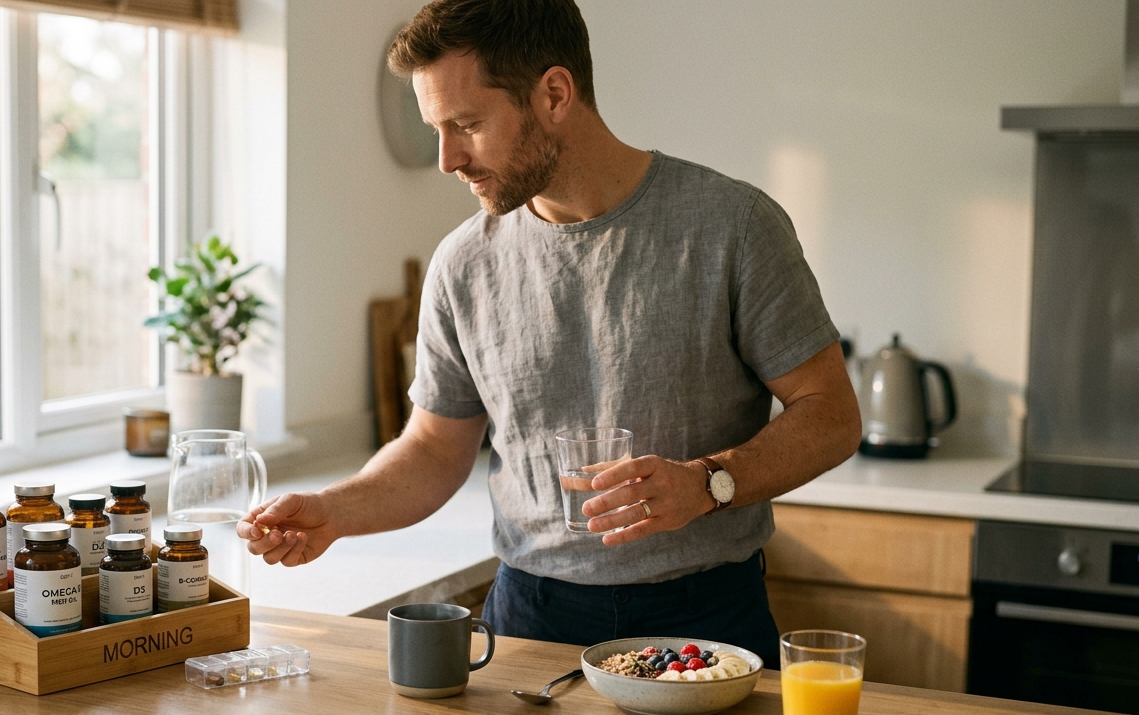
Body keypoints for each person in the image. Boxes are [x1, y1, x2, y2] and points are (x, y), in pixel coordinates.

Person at [238, 0, 860, 668]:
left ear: (555, 94)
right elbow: (433, 448)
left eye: (467, 124)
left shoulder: (733, 226)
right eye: (437, 130)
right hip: (529, 617)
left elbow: (830, 416)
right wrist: (333, 511)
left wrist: (707, 483)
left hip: (705, 617)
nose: (447, 159)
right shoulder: (463, 262)